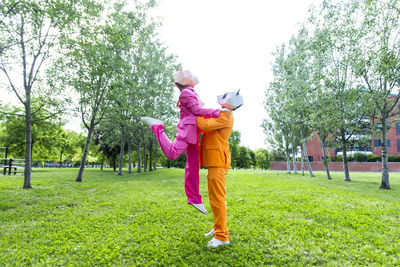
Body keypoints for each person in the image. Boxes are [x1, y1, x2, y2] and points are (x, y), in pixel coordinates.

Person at [140, 66, 221, 215]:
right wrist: (217, 112)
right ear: (185, 81)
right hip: (187, 131)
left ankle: (195, 198)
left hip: (193, 131)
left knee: (193, 166)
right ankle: (157, 126)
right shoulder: (186, 93)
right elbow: (197, 110)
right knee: (172, 153)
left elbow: (197, 108)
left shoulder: (190, 92)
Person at [197, 90, 243, 248]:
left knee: (218, 199)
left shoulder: (225, 115)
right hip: (214, 161)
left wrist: (195, 108)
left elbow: (203, 124)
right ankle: (217, 228)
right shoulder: (221, 113)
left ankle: (222, 236)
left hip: (218, 161)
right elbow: (205, 128)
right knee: (213, 197)